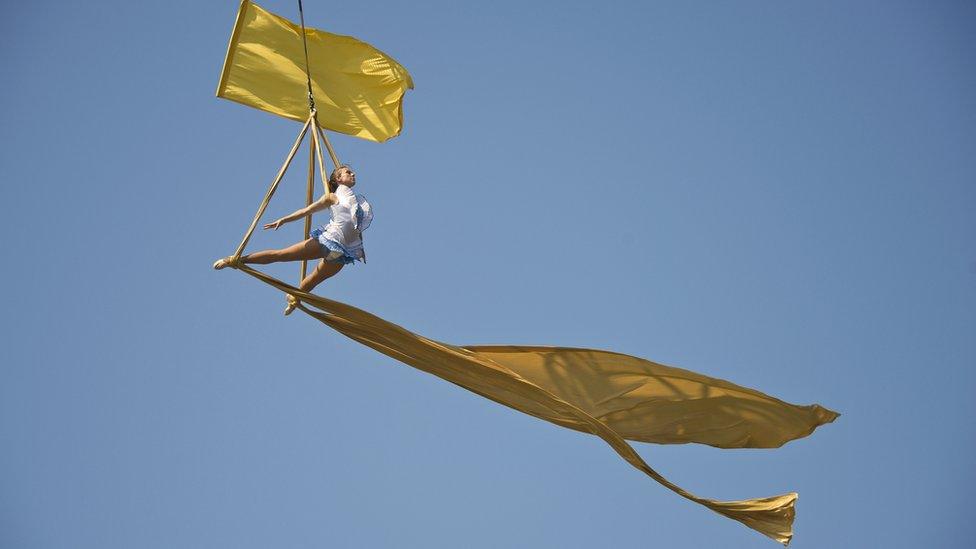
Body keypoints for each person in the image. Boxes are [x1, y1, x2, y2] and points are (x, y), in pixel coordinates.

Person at [213, 165, 372, 315]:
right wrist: (283, 220)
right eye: (348, 172)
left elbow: (356, 225)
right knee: (281, 255)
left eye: (352, 172)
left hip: (345, 251)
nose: (353, 174)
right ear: (338, 179)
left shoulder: (356, 202)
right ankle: (234, 260)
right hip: (330, 240)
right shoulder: (332, 197)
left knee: (313, 281)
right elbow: (306, 210)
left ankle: (294, 298)